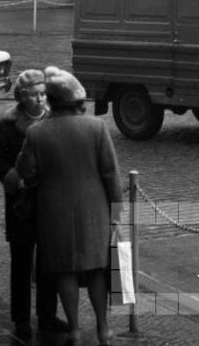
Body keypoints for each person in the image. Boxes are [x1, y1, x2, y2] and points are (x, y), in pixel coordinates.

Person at [17, 66, 122, 346]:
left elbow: (26, 171)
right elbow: (111, 173)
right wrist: (118, 211)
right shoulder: (97, 127)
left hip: (54, 210)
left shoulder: (37, 132)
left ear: (51, 101)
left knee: (65, 270)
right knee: (97, 268)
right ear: (78, 101)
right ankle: (103, 328)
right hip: (94, 208)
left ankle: (74, 329)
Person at [0, 69, 64, 341]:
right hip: (21, 203)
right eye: (34, 95)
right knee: (20, 262)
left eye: (43, 94)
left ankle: (47, 315)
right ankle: (20, 318)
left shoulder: (56, 121)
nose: (41, 100)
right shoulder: (9, 125)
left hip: (49, 201)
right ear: (21, 97)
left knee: (48, 262)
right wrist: (14, 179)